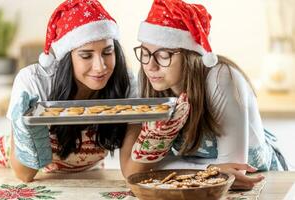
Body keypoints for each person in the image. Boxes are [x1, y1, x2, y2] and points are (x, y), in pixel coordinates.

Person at [120, 0, 288, 190]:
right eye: (144, 53)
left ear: (189, 56)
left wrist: (180, 167)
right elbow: (141, 170)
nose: (150, 65)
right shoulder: (149, 81)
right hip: (193, 184)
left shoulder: (221, 78)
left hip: (263, 182)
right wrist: (208, 169)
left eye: (164, 55)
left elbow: (232, 173)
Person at [0, 0, 135, 182]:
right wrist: (27, 125)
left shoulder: (124, 83)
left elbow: (132, 172)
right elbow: (24, 175)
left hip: (85, 173)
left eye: (107, 52)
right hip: (11, 171)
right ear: (67, 56)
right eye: (86, 55)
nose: (100, 67)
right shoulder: (34, 82)